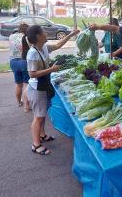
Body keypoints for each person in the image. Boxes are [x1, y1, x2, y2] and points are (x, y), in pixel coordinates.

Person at [26, 25, 79, 155]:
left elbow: (57, 45)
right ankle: (36, 144)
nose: (46, 33)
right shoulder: (32, 53)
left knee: (42, 114)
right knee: (38, 117)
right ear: (39, 36)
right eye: (43, 31)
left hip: (44, 85)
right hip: (36, 88)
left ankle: (42, 135)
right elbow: (31, 74)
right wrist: (51, 69)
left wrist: (71, 35)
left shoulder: (43, 47)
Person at [9, 23, 30, 111]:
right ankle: (26, 106)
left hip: (13, 62)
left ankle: (18, 102)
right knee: (26, 84)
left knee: (18, 85)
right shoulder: (27, 38)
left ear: (19, 29)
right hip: (24, 61)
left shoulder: (11, 37)